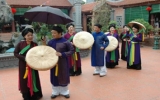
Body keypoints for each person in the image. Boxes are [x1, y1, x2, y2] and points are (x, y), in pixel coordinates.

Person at [14, 28, 43, 100]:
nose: (30, 37)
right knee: (24, 79)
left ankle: (35, 94)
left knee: (34, 78)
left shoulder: (35, 44)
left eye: (31, 35)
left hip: (33, 65)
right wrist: (24, 58)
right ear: (24, 36)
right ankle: (26, 95)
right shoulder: (20, 44)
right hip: (23, 65)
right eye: (28, 35)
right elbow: (15, 53)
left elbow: (39, 54)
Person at [46, 26, 74, 99]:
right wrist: (44, 43)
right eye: (52, 33)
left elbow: (71, 50)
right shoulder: (50, 42)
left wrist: (62, 54)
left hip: (63, 62)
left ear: (60, 33)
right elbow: (47, 50)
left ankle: (65, 92)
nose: (53, 34)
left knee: (63, 75)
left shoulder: (66, 42)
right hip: (53, 63)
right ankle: (55, 91)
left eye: (54, 33)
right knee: (54, 76)